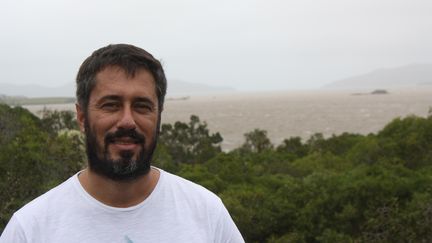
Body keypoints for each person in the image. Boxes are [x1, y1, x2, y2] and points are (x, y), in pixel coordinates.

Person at [0, 44, 244, 243]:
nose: (127, 121)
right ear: (82, 116)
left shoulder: (207, 214)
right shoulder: (30, 229)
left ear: (158, 117)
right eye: (111, 105)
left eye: (142, 106)